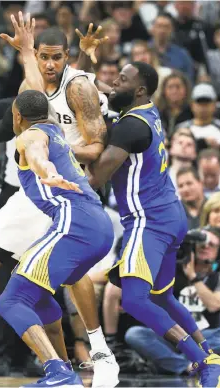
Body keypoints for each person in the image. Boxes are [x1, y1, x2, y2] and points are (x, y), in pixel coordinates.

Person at [0, 15, 119, 387]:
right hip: (34, 190)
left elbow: (97, 146)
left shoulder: (79, 87)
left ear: (66, 58)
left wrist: (55, 156)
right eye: (42, 57)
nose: (48, 64)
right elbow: (5, 125)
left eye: (56, 57)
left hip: (67, 187)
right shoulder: (31, 90)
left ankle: (100, 354)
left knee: (66, 277)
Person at [87, 62, 220, 386]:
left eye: (121, 79)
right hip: (170, 215)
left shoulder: (129, 128)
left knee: (134, 300)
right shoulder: (148, 110)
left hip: (149, 221)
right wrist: (89, 75)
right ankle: (209, 354)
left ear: (140, 89)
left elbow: (96, 178)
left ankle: (202, 360)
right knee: (162, 298)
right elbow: (110, 93)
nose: (113, 82)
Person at [0, 89, 114, 388]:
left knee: (10, 301)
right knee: (34, 289)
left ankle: (60, 374)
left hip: (75, 224)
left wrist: (46, 170)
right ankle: (64, 368)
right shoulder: (56, 131)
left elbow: (36, 153)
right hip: (98, 225)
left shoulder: (29, 136)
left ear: (17, 115)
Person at [125, 227, 220, 375]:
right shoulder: (172, 272)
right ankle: (186, 365)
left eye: (212, 245)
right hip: (173, 335)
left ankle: (176, 362)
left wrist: (193, 277)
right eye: (201, 244)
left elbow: (214, 305)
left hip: (204, 336)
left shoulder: (217, 277)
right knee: (134, 333)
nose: (205, 247)